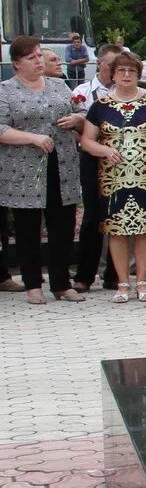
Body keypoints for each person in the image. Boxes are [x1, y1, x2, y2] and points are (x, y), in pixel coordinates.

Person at [80, 50, 146, 303]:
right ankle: (122, 283)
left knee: (145, 230)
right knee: (116, 230)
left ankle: (142, 281)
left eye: (131, 70)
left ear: (138, 74)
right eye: (121, 70)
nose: (126, 74)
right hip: (113, 178)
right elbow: (86, 141)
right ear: (112, 74)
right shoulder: (100, 107)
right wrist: (104, 149)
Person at [0, 37, 88, 304]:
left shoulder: (60, 85)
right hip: (23, 171)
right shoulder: (6, 91)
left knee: (63, 226)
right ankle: (33, 284)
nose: (38, 61)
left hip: (62, 165)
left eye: (39, 56)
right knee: (28, 229)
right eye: (31, 58)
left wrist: (77, 120)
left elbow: (82, 111)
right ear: (16, 64)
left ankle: (61, 283)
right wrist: (33, 138)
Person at [71, 45, 121, 292]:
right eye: (111, 65)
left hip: (120, 158)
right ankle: (84, 275)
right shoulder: (82, 91)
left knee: (118, 213)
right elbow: (74, 127)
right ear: (99, 63)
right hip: (92, 156)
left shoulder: (126, 91)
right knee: (92, 217)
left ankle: (114, 273)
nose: (115, 70)